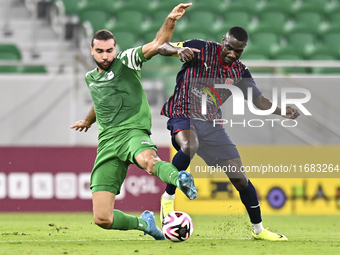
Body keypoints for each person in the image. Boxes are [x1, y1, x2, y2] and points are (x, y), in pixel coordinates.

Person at [157, 26, 300, 241]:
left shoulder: (240, 71)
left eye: (238, 51)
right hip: (184, 112)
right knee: (189, 145)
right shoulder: (200, 48)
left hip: (211, 123)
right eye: (229, 48)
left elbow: (258, 101)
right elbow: (161, 46)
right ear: (223, 40)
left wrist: (282, 111)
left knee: (240, 178)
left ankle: (259, 231)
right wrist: (176, 51)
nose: (232, 54)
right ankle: (168, 198)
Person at [70, 3, 198, 241]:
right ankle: (145, 223)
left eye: (109, 50)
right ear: (92, 51)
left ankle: (179, 178)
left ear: (115, 48)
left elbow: (157, 44)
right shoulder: (91, 78)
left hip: (132, 132)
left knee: (149, 162)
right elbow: (100, 101)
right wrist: (88, 121)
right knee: (102, 218)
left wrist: (170, 20)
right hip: (107, 143)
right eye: (100, 51)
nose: (105, 55)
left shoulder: (127, 60)